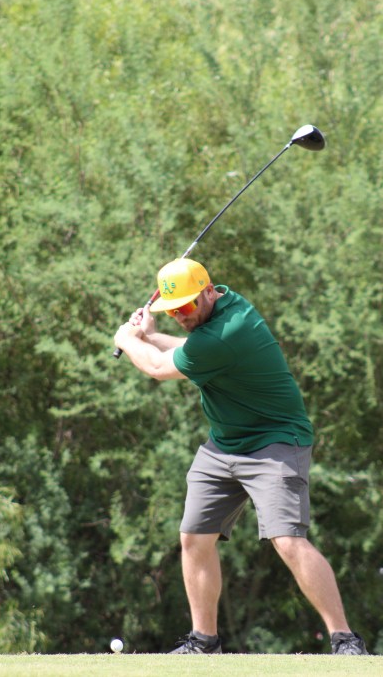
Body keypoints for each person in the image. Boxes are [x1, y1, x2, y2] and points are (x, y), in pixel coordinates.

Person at [113, 258, 368, 656]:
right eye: (172, 310)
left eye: (186, 307)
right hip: (224, 445)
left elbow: (160, 368)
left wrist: (128, 339)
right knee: (193, 537)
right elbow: (190, 348)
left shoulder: (231, 328)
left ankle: (345, 640)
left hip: (275, 443)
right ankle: (204, 642)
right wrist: (152, 334)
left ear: (208, 292)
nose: (181, 316)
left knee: (288, 540)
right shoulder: (218, 314)